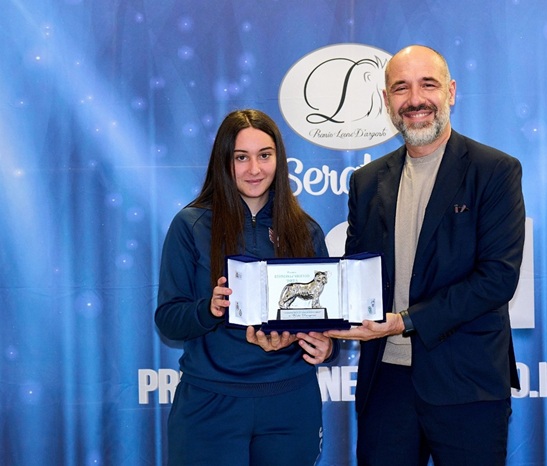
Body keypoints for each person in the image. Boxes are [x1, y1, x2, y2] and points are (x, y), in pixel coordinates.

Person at [326, 45, 525, 465]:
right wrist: (308, 321)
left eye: (427, 85)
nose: (415, 99)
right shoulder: (366, 181)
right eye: (401, 88)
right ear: (386, 101)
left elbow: (497, 278)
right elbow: (353, 276)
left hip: (467, 385)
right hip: (386, 386)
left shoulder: (494, 171)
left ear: (450, 91)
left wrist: (406, 321)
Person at [155, 109, 334, 466]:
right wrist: (209, 309)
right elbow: (169, 319)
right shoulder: (190, 225)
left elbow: (324, 322)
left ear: (279, 160)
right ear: (224, 161)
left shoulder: (306, 230)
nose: (254, 169)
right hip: (209, 404)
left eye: (264, 155)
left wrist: (326, 347)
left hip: (290, 404)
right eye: (241, 157)